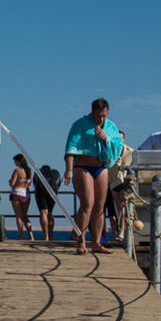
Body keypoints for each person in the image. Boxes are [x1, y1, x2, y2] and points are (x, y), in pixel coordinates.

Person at [63, 98, 122, 254]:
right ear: (92, 112)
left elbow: (117, 145)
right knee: (87, 203)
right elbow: (71, 148)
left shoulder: (110, 126)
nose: (100, 119)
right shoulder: (80, 124)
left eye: (103, 116)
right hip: (83, 166)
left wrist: (105, 138)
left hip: (101, 167)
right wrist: (69, 170)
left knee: (99, 206)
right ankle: (81, 241)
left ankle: (96, 242)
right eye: (98, 116)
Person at [106, 131, 133, 243]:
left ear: (124, 139)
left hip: (125, 182)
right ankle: (120, 233)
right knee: (118, 208)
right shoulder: (110, 151)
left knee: (123, 207)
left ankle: (122, 233)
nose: (119, 140)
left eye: (121, 138)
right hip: (113, 182)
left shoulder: (131, 152)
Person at [8, 154, 33, 240]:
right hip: (26, 193)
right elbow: (29, 183)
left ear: (19, 161)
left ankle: (21, 235)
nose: (14, 163)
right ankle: (31, 235)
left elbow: (12, 184)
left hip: (17, 192)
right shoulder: (29, 171)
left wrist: (10, 182)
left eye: (15, 161)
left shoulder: (17, 171)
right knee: (25, 216)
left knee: (19, 216)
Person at [34, 165, 61, 241]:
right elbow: (59, 183)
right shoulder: (56, 172)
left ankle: (46, 236)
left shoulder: (38, 172)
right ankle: (51, 235)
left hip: (41, 190)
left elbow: (35, 182)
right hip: (53, 190)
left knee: (43, 212)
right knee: (50, 212)